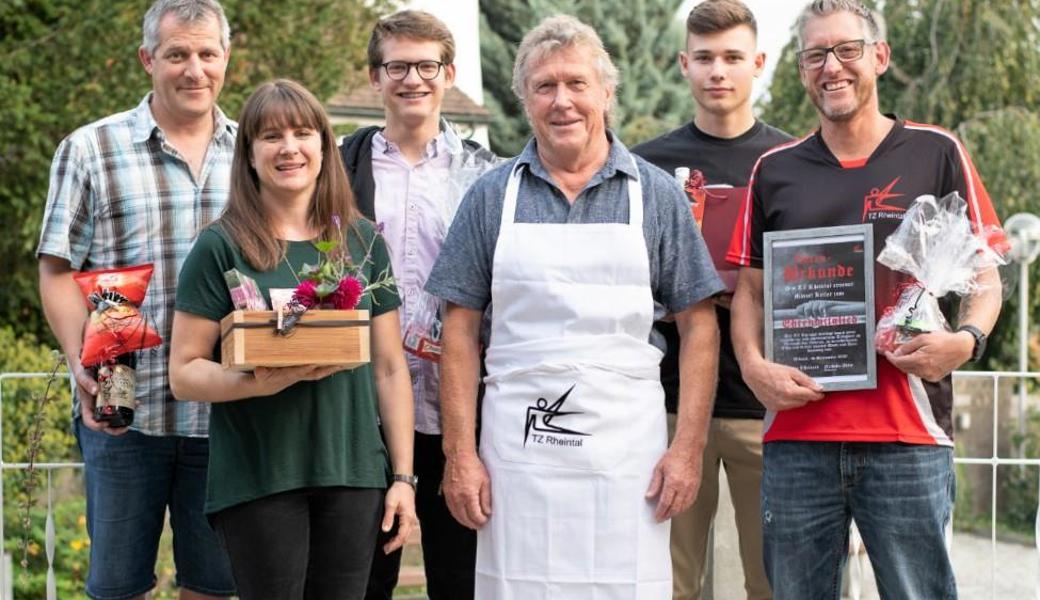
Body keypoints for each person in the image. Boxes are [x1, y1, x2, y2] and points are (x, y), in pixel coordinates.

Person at [426, 15, 725, 598]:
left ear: (606, 93)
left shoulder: (657, 196)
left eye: (577, 84)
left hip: (627, 460)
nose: (562, 101)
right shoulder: (490, 197)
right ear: (525, 99)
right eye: (544, 86)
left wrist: (686, 450)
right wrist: (460, 455)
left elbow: (700, 327)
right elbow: (457, 332)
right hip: (517, 454)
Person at [727, 1, 1003, 598]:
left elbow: (986, 272)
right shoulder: (772, 170)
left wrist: (964, 341)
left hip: (909, 435)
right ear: (801, 70)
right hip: (798, 437)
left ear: (879, 56)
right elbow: (749, 290)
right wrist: (752, 367)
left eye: (847, 49)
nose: (833, 67)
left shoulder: (937, 152)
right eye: (815, 55)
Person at [167, 79, 418, 599]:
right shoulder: (221, 247)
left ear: (325, 147)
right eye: (271, 136)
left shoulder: (362, 242)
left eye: (303, 133)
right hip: (259, 476)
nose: (289, 148)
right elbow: (185, 372)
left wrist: (403, 478)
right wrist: (257, 383)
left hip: (352, 473)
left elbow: (390, 369)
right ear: (250, 155)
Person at [36, 1, 236, 598]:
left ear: (226, 58)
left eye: (206, 54)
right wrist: (80, 363)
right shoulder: (90, 148)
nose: (193, 69)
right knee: (118, 587)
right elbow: (55, 270)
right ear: (149, 59)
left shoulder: (256, 151)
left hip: (227, 414)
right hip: (123, 410)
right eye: (177, 54)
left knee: (216, 586)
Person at [338, 11, 498, 599]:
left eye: (427, 66)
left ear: (449, 74)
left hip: (455, 404)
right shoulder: (337, 166)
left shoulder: (487, 173)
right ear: (376, 77)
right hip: (362, 405)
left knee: (461, 579)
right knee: (360, 580)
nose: (413, 80)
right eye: (397, 66)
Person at [632, 2, 789, 598]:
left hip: (768, 406)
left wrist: (740, 286)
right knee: (667, 583)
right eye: (704, 58)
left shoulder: (793, 164)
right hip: (666, 406)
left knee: (775, 582)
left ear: (759, 63)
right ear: (683, 64)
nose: (717, 71)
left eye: (731, 58)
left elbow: (819, 284)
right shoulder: (643, 165)